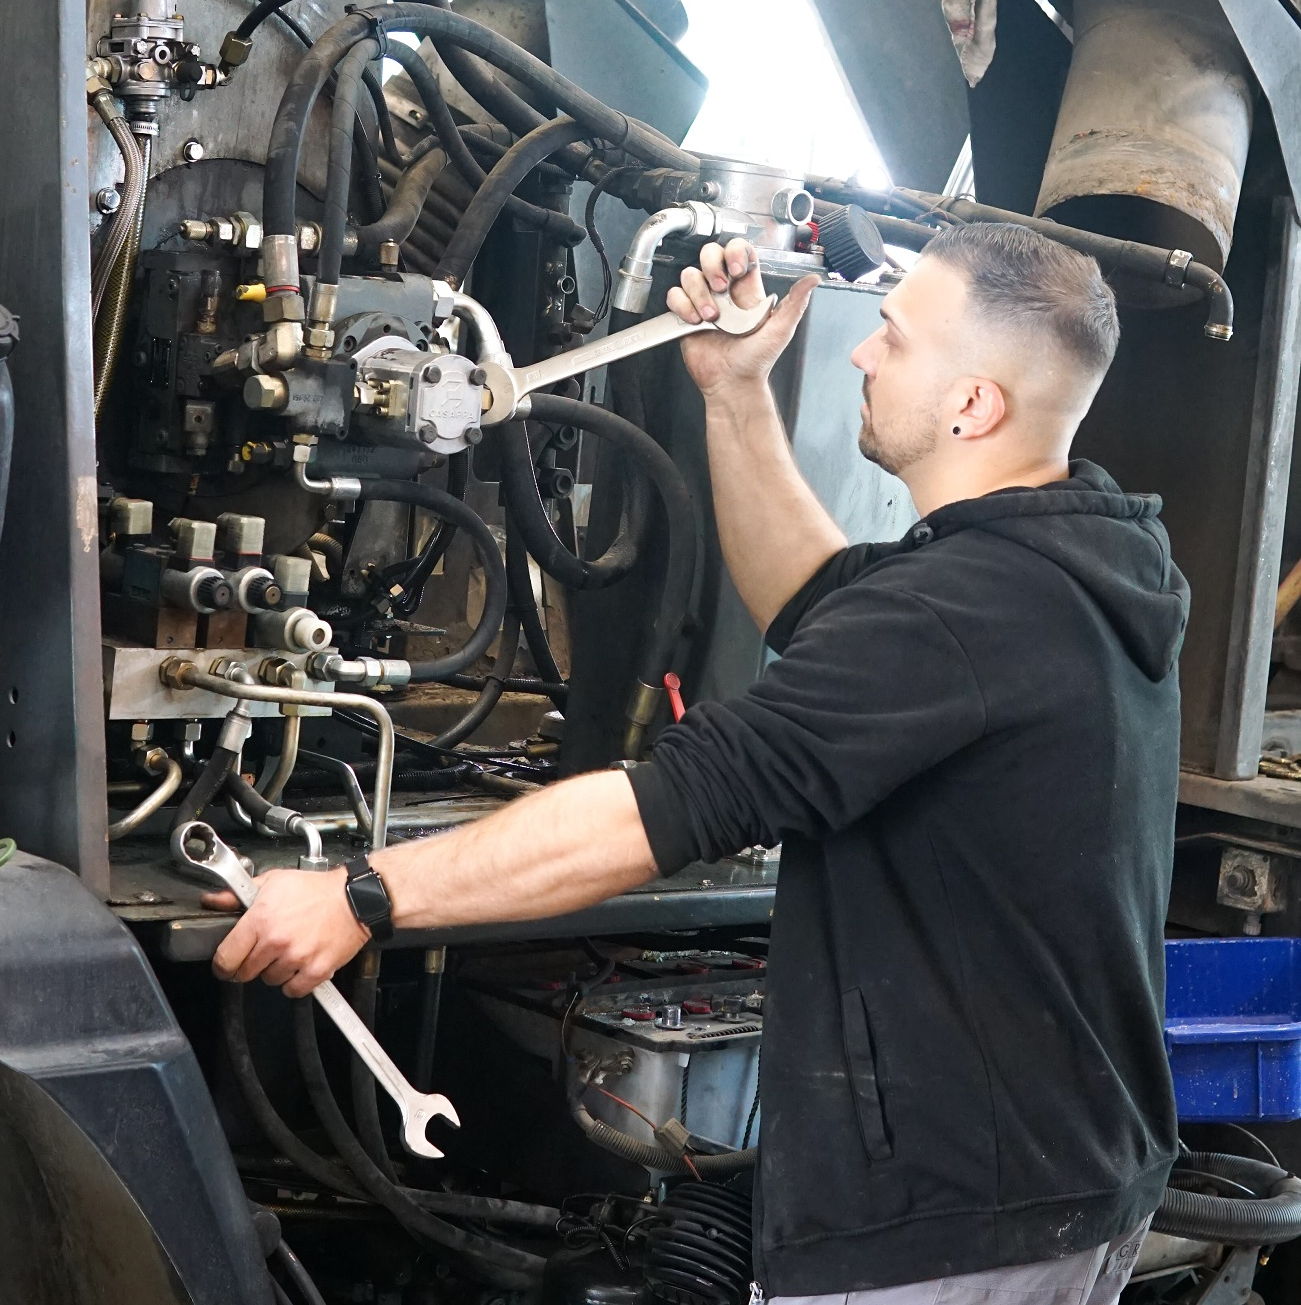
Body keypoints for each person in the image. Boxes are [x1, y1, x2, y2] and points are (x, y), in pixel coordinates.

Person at [207, 222, 1188, 1305]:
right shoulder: (1065, 564)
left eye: (896, 340)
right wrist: (732, 388)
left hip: (951, 1222)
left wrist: (365, 893)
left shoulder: (958, 614)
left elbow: (661, 810)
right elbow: (816, 601)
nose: (863, 353)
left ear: (972, 406)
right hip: (1058, 1178)